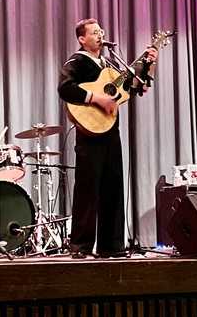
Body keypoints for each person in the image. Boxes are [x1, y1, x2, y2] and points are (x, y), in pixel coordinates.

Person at [57, 19, 157, 259]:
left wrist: (149, 64)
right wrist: (96, 98)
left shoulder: (110, 64)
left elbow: (135, 87)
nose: (100, 35)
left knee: (113, 187)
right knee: (87, 189)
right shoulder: (77, 61)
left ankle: (111, 246)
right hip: (89, 133)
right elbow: (65, 88)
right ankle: (80, 246)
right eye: (94, 32)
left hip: (111, 132)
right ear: (82, 39)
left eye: (101, 31)